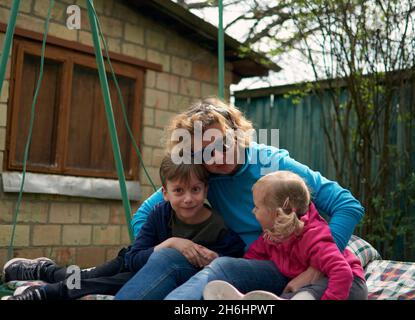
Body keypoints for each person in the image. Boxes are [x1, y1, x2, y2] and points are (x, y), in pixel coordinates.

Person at [126, 96, 365, 300]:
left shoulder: (270, 164)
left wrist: (315, 269)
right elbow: (143, 216)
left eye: (222, 143)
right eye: (204, 153)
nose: (217, 156)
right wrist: (172, 243)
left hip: (291, 261)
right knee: (170, 255)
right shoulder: (204, 175)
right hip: (248, 262)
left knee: (222, 266)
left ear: (237, 133)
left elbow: (347, 205)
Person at [1, 154, 245, 300]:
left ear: (206, 190)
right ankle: (46, 270)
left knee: (99, 283)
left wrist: (216, 258)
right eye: (179, 191)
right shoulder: (160, 214)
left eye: (195, 190)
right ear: (165, 194)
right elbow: (135, 258)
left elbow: (233, 257)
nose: (188, 199)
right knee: (84, 275)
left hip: (151, 276)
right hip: (129, 261)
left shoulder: (218, 227)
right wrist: (170, 243)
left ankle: (47, 292)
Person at [203, 171, 368, 300]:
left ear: (278, 212)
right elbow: (252, 261)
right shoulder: (272, 236)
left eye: (257, 207)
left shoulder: (314, 237)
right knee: (290, 296)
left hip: (348, 285)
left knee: (304, 296)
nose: (253, 211)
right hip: (309, 285)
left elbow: (342, 272)